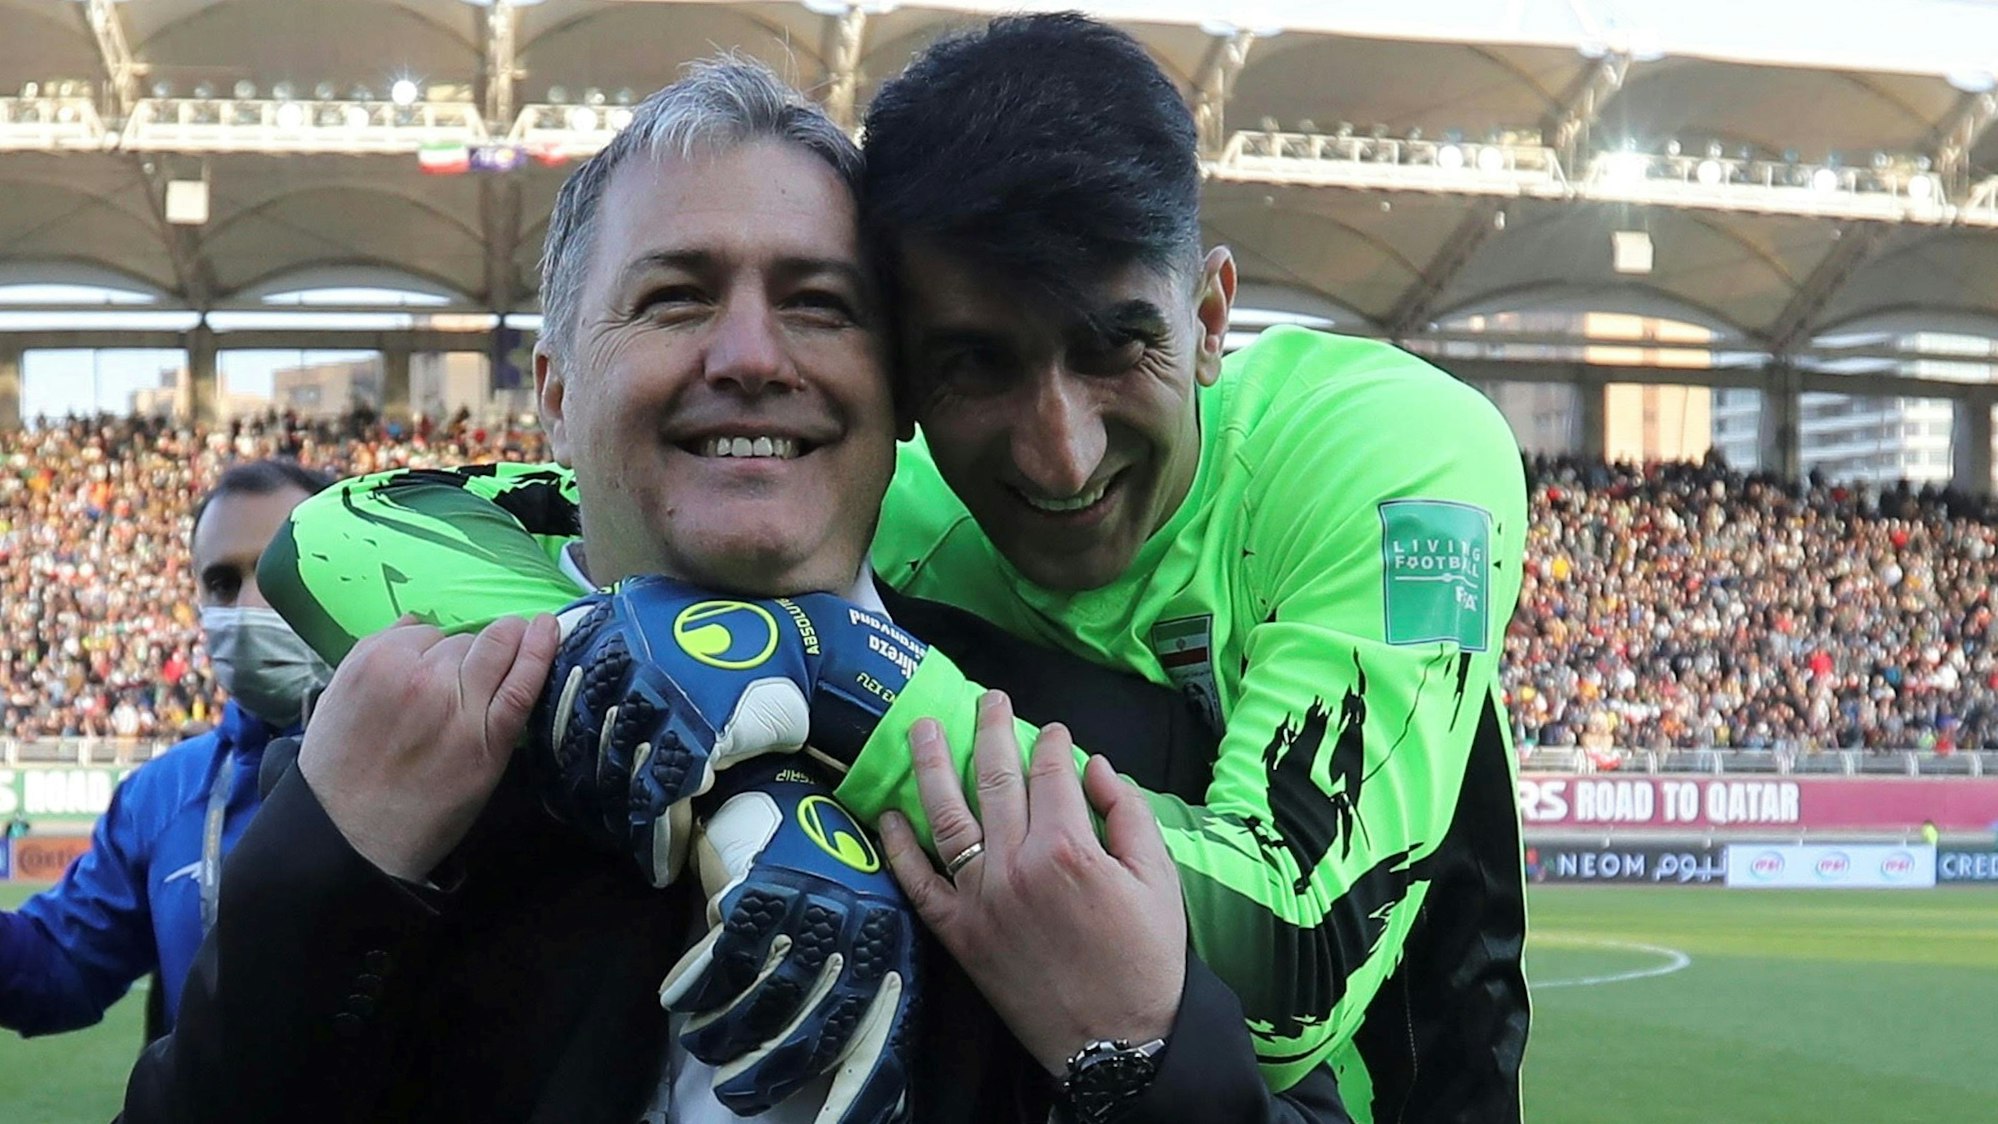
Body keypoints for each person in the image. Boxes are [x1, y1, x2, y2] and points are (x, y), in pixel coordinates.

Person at [261, 16, 1532, 1122]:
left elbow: (1296, 955)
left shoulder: (1415, 469)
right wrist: (759, 773)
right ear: (914, 383)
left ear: (1209, 317)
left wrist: (825, 674)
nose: (1058, 451)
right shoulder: (880, 496)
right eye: (976, 362)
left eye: (1115, 347)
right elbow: (343, 530)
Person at [0, 460, 333, 1037]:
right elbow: (61, 969)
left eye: (284, 571)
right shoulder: (161, 794)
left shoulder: (455, 759)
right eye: (223, 583)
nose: (249, 607)